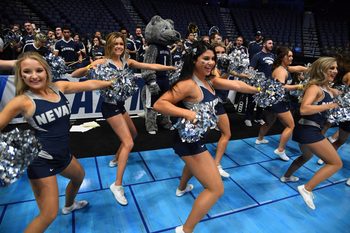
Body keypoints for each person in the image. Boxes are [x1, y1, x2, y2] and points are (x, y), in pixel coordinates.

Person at [0, 52, 114, 232]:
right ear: (21, 75)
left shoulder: (58, 87)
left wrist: (109, 83)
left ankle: (69, 205)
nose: (34, 75)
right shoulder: (22, 101)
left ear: (46, 71)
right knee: (48, 215)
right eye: (27, 72)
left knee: (79, 176)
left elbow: (87, 84)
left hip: (62, 154)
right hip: (41, 161)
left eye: (38, 70)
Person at [154, 41, 259, 233]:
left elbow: (236, 84)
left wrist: (258, 90)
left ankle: (181, 188)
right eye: (206, 58)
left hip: (196, 139)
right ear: (194, 60)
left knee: (193, 166)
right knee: (215, 189)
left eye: (213, 59)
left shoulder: (209, 81)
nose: (210, 62)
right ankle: (185, 230)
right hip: (188, 143)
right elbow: (159, 105)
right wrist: (187, 114)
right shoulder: (188, 84)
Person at [72, 32, 176, 206]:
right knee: (128, 143)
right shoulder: (103, 62)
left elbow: (150, 66)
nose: (119, 47)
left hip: (120, 106)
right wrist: (88, 68)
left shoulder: (128, 62)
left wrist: (170, 68)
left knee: (134, 134)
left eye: (121, 44)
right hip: (109, 107)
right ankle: (117, 185)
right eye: (115, 44)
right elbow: (76, 75)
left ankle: (115, 158)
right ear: (110, 46)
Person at [280, 57, 342, 210]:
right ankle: (307, 188)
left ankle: (286, 176)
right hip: (309, 130)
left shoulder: (327, 88)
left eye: (336, 68)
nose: (335, 71)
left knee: (306, 156)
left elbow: (341, 94)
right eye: (331, 68)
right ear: (322, 69)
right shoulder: (314, 88)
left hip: (306, 130)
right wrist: (330, 105)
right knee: (335, 163)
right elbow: (304, 109)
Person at [258, 46, 307, 161]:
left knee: (269, 121)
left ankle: (259, 138)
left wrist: (309, 69)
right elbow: (282, 87)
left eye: (292, 56)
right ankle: (280, 150)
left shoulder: (285, 68)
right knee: (291, 125)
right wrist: (299, 86)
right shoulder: (281, 71)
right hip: (278, 101)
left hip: (272, 100)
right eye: (289, 56)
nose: (291, 58)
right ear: (282, 57)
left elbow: (297, 68)